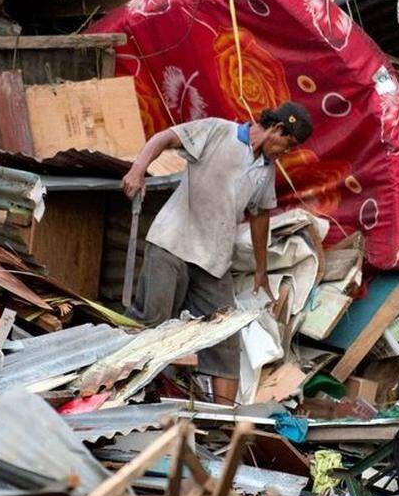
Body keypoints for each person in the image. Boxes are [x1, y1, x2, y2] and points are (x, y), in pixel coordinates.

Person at [121, 102, 314, 403]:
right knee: (151, 324)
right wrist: (137, 170)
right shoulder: (217, 131)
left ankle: (223, 424)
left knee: (225, 339)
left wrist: (261, 270)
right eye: (287, 145)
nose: (285, 153)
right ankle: (122, 395)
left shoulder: (265, 170)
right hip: (173, 243)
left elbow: (260, 215)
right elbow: (164, 138)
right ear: (276, 129)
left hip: (213, 261)